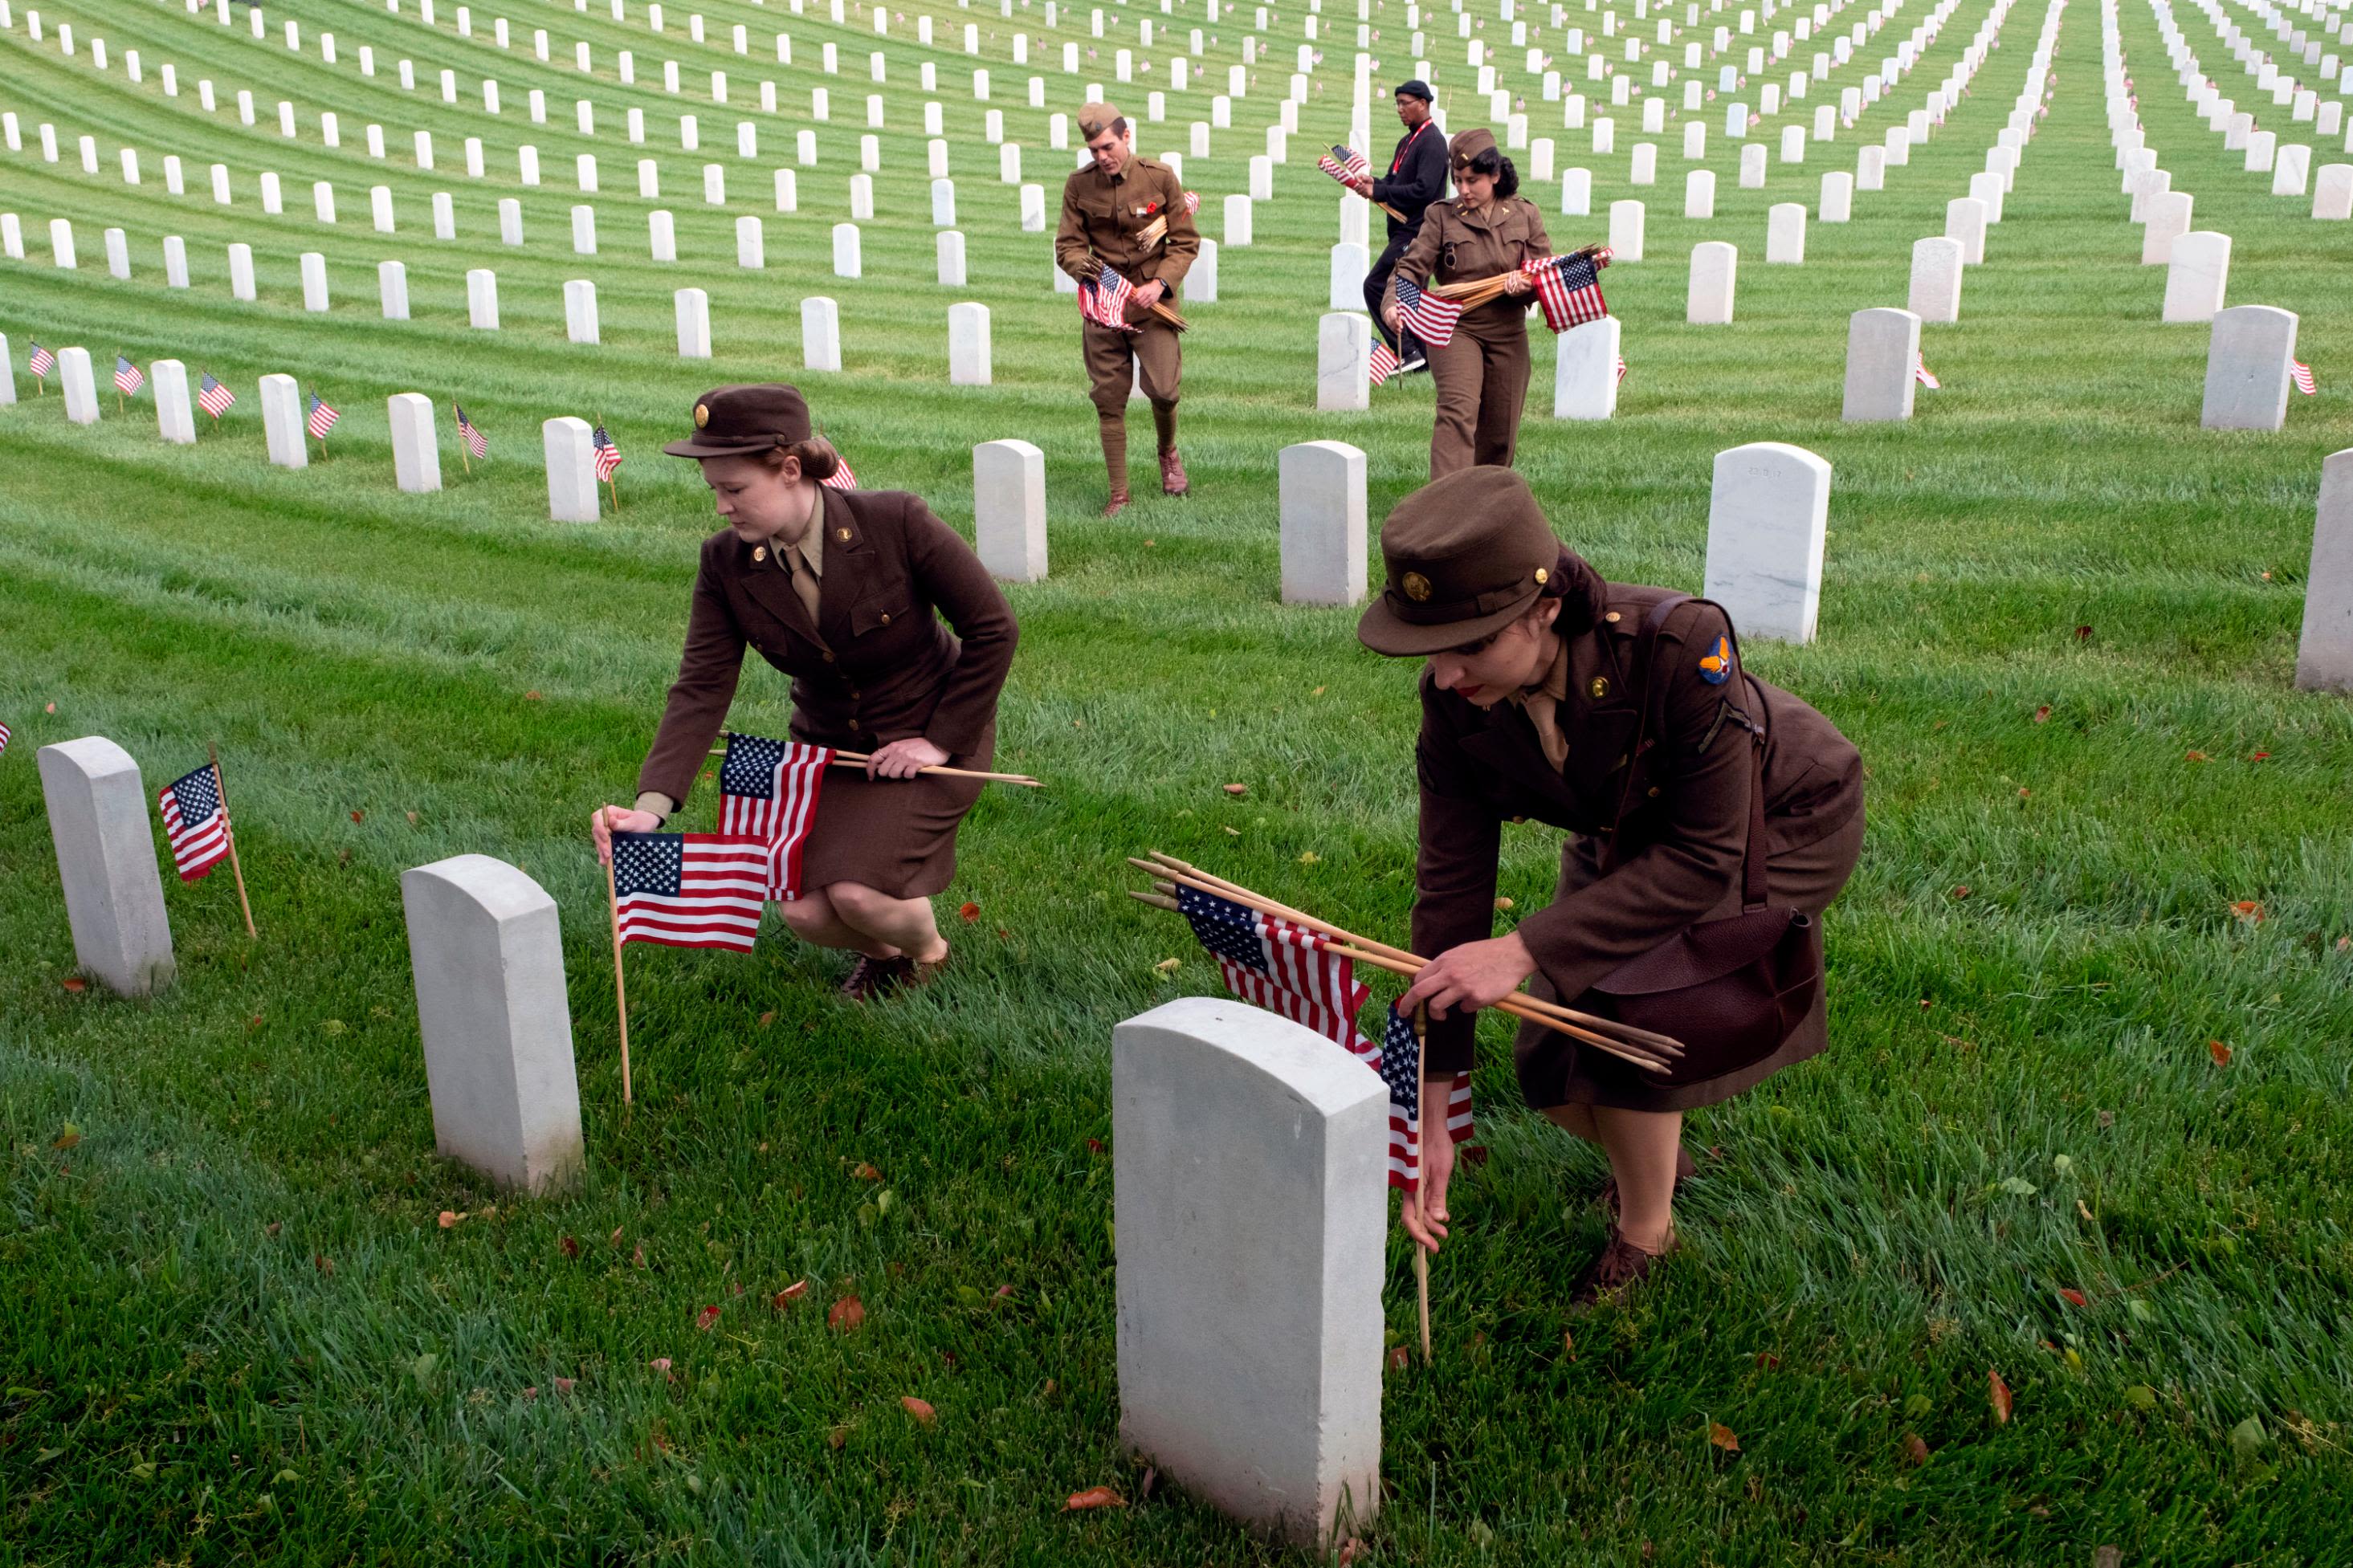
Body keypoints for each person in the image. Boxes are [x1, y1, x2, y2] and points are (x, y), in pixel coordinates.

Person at [1359, 468, 1865, 1303]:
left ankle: (1645, 1232)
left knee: (1626, 1016)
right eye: (1430, 650)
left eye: (1471, 645)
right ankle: (1658, 1160)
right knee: (1548, 1057)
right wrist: (1435, 1092)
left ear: (1544, 607)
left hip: (1775, 821)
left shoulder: (1676, 646)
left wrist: (1523, 949)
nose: (1445, 676)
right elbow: (1449, 887)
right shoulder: (1455, 703)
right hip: (1629, 832)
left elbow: (1706, 852)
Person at [589, 385, 1019, 1001]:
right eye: (714, 489)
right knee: (802, 911)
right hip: (828, 753)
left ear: (790, 470)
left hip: (934, 733)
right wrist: (652, 807)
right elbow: (701, 686)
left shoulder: (895, 522)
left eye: (734, 489)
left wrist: (939, 741)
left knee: (853, 892)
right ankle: (885, 953)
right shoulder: (725, 564)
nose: (721, 507)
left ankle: (928, 952)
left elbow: (994, 628)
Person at [1054, 99, 1201, 518]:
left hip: (1151, 307)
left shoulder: (1159, 178)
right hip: (1104, 307)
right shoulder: (1078, 186)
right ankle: (1119, 494)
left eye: (1107, 147)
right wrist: (1085, 270)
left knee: (1165, 391)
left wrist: (1161, 283)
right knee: (1109, 399)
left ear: (1126, 137)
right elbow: (1067, 244)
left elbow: (1186, 241)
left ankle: (1167, 451)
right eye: (1094, 151)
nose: (1102, 158)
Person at [1383, 129, 1552, 479]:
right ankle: (1446, 506)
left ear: (1495, 175)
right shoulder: (1441, 216)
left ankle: (1481, 504)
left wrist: (1525, 285)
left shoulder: (1526, 215)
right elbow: (1412, 267)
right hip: (1454, 326)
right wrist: (1395, 303)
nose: (1463, 189)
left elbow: (1543, 276)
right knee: (1457, 411)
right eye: (1457, 180)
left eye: (1472, 180)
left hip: (1508, 332)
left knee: (1500, 430)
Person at [1353, 79, 1450, 373]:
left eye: (1404, 103)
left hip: (1419, 230)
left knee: (1375, 285)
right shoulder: (1408, 141)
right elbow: (1396, 182)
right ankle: (1421, 359)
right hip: (1403, 228)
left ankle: (1406, 351)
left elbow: (1422, 190)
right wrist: (1375, 185)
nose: (1399, 109)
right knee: (1411, 295)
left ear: (1423, 103)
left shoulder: (1432, 142)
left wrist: (1381, 193)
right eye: (1397, 103)